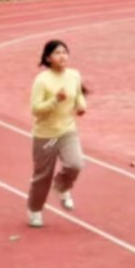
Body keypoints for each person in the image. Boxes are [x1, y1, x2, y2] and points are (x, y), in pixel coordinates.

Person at [26, 39, 87, 228]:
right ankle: (35, 210)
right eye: (58, 53)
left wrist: (82, 106)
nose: (63, 56)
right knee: (42, 175)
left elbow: (78, 95)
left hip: (67, 131)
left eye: (65, 52)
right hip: (47, 136)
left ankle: (61, 187)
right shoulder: (42, 80)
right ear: (48, 58)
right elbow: (35, 109)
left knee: (76, 163)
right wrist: (55, 100)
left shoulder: (74, 75)